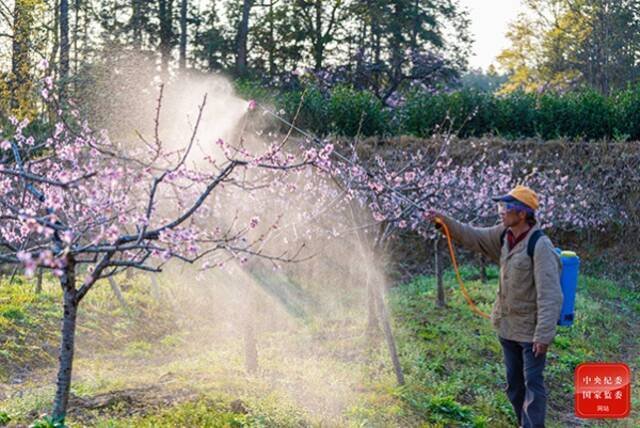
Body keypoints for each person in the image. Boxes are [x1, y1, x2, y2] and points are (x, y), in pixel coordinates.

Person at [424, 185, 562, 428]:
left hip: (531, 333)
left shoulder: (540, 246)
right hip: (507, 328)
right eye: (500, 207)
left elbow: (550, 295)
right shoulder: (503, 235)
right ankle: (523, 422)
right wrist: (443, 221)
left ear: (522, 214)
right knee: (514, 386)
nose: (501, 212)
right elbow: (472, 235)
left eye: (506, 208)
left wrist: (543, 335)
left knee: (533, 385)